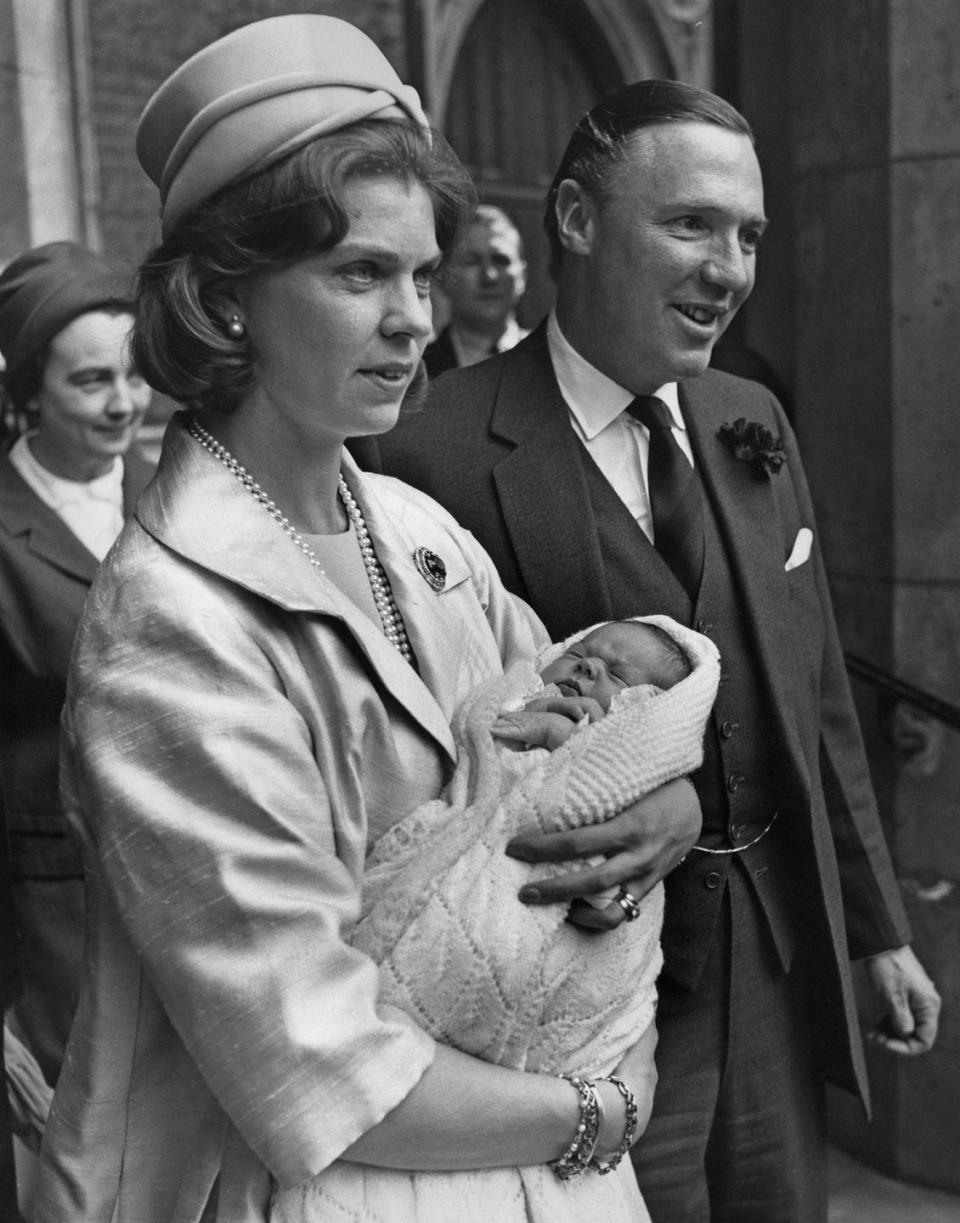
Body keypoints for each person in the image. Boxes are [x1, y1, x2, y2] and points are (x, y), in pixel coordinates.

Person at [34, 18, 698, 1223]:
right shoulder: (167, 624)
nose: (410, 318)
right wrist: (603, 1105)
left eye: (422, 275)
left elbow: (574, 756)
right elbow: (321, 1068)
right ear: (228, 299)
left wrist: (663, 802)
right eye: (358, 274)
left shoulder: (414, 528)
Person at [368, 78, 942, 1222]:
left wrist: (877, 930)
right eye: (691, 224)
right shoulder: (427, 450)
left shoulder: (749, 419)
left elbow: (813, 687)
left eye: (749, 236)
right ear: (577, 221)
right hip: (573, 1004)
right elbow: (421, 781)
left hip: (774, 970)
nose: (729, 269)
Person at [276, 614, 718, 1222]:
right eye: (583, 654)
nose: (590, 668)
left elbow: (603, 899)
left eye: (618, 676)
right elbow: (473, 766)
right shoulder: (508, 699)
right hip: (386, 1028)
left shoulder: (631, 787)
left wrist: (612, 774)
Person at [0, 241, 153, 1087]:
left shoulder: (178, 497)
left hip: (193, 888)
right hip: (50, 918)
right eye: (90, 381)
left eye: (133, 375)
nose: (124, 402)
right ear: (28, 392)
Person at [423, 204, 529, 376]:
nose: (489, 276)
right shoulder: (417, 371)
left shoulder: (554, 363)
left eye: (500, 260)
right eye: (471, 261)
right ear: (443, 278)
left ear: (522, 276)